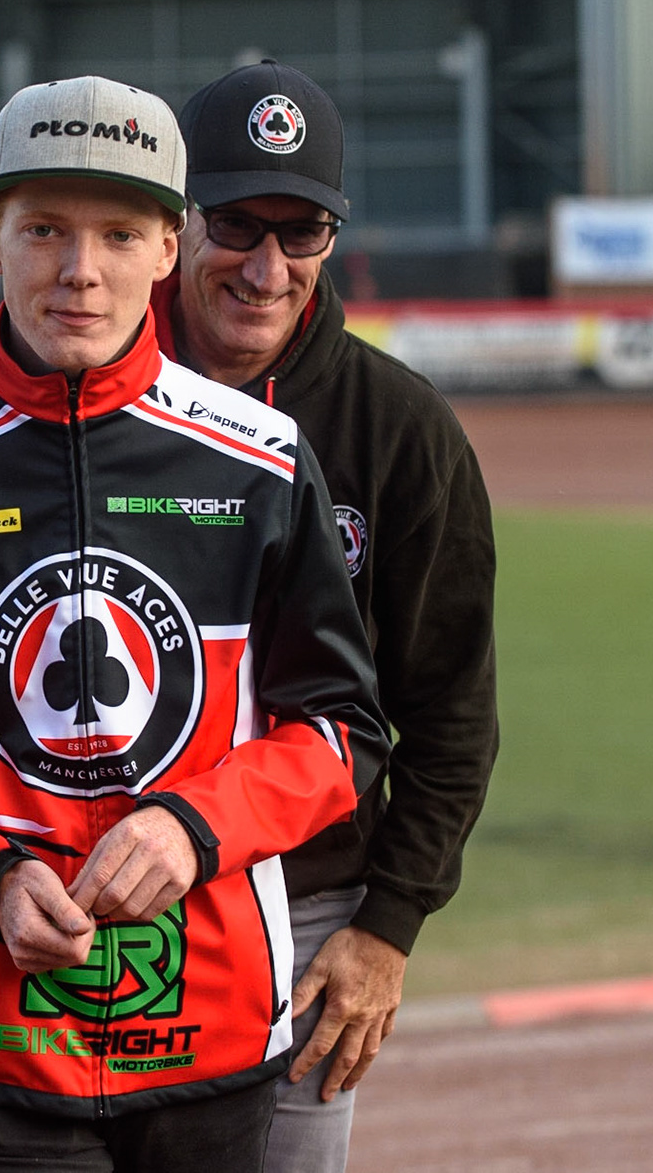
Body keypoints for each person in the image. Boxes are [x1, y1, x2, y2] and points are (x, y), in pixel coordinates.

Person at [0, 74, 389, 1172]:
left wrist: (194, 829)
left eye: (117, 231)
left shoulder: (260, 461)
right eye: (45, 228)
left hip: (220, 1037)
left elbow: (344, 733)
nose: (79, 270)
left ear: (167, 247)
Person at [155, 59, 500, 1173]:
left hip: (306, 917)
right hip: (109, 906)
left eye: (299, 232)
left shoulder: (399, 431)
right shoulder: (87, 401)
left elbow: (450, 708)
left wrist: (388, 926)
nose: (265, 268)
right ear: (175, 222)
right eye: (237, 224)